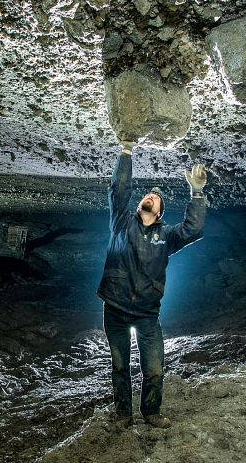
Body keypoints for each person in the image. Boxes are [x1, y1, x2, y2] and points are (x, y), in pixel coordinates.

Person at [97, 137, 207, 430]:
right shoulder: (121, 222)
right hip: (116, 310)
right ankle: (123, 414)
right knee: (120, 366)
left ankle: (151, 412)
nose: (150, 196)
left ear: (159, 213)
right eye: (148, 195)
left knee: (154, 368)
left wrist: (196, 193)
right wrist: (126, 151)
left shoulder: (165, 236)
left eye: (156, 198)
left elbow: (193, 229)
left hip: (147, 314)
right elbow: (118, 190)